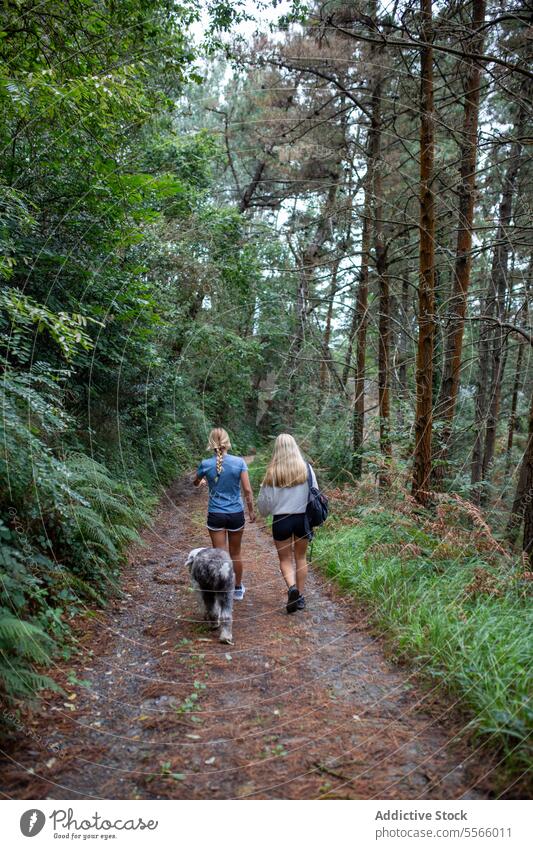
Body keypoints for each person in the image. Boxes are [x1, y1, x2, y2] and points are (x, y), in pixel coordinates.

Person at [257, 433, 317, 613]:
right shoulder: (307, 469)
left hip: (281, 520)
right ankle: (300, 597)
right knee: (301, 558)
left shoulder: (272, 473)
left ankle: (292, 588)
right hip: (302, 519)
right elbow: (315, 493)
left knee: (285, 559)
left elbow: (264, 507)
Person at [193, 428, 255, 600]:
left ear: (211, 443)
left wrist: (203, 480)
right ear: (227, 442)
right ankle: (237, 589)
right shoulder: (239, 462)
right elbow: (248, 490)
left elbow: (195, 482)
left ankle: (221, 590)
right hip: (236, 514)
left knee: (220, 555)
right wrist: (251, 511)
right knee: (236, 553)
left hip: (215, 514)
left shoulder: (206, 464)